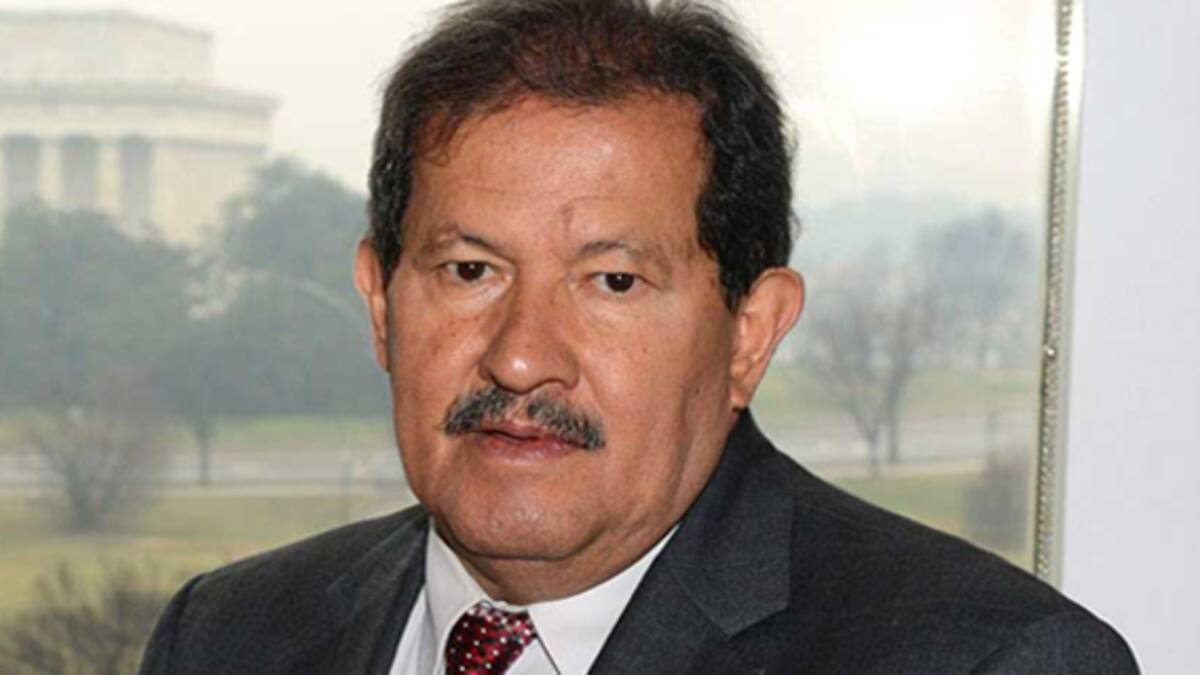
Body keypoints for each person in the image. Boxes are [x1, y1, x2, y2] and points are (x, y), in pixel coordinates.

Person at [139, 1, 1138, 673]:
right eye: (470, 270)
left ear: (750, 335)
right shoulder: (226, 635)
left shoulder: (991, 660)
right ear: (379, 305)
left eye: (612, 281)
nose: (521, 355)